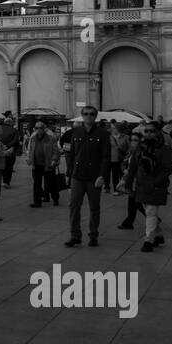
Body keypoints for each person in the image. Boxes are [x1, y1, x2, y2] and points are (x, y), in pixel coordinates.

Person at [65, 106, 111, 248]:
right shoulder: (76, 131)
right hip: (77, 176)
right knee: (74, 206)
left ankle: (93, 235)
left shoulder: (102, 134)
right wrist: (68, 174)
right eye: (86, 114)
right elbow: (71, 155)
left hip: (94, 177)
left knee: (94, 208)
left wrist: (102, 176)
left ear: (95, 116)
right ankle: (75, 236)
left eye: (91, 114)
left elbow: (106, 157)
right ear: (82, 115)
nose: (88, 116)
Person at [123, 126, 172, 252]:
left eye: (152, 131)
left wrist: (155, 183)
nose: (149, 133)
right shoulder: (140, 149)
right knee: (149, 212)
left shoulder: (164, 149)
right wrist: (128, 184)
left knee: (151, 212)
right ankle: (159, 235)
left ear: (158, 132)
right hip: (141, 186)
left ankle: (148, 240)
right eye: (146, 131)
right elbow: (133, 168)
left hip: (156, 186)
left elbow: (167, 169)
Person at [26, 122, 61, 208]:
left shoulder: (51, 138)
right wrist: (30, 159)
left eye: (40, 128)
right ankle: (37, 202)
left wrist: (54, 160)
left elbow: (56, 151)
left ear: (44, 128)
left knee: (51, 183)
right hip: (37, 164)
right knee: (36, 184)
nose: (39, 130)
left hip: (48, 164)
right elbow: (31, 149)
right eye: (36, 128)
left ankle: (55, 198)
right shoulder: (33, 138)